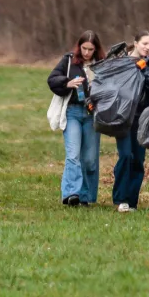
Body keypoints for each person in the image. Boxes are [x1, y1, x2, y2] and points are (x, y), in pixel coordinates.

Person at [47, 31, 106, 207]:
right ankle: (71, 193)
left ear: (96, 49)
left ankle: (85, 196)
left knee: (89, 159)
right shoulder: (69, 61)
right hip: (72, 112)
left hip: (92, 115)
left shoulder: (102, 65)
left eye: (90, 49)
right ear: (79, 47)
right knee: (73, 154)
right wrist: (67, 83)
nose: (87, 52)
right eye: (84, 48)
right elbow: (52, 79)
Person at [112, 31, 149, 212]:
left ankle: (132, 201)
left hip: (142, 118)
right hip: (123, 117)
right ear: (135, 43)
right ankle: (120, 198)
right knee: (126, 155)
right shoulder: (121, 63)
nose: (148, 48)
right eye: (144, 44)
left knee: (138, 160)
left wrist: (145, 72)